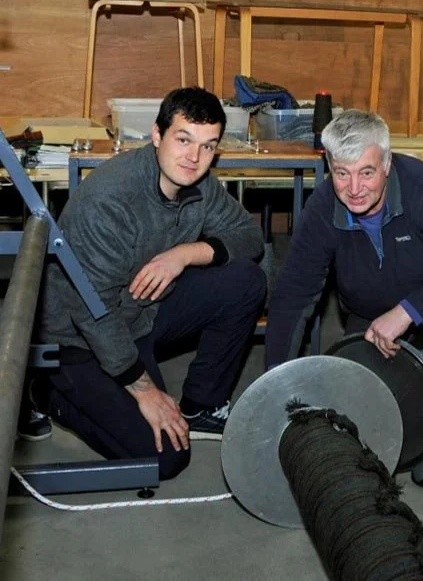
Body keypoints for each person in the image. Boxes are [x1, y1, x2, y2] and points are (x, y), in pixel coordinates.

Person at [35, 87, 266, 479]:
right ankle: (46, 390)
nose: (194, 158)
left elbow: (250, 237)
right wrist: (144, 390)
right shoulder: (111, 199)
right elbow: (93, 314)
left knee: (246, 280)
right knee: (165, 459)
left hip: (141, 311)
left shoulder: (199, 185)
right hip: (78, 338)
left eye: (208, 147)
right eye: (183, 140)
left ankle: (202, 404)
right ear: (156, 136)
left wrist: (183, 255)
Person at [265, 109, 423, 488]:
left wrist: (407, 312)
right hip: (367, 317)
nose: (354, 189)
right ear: (329, 166)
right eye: (342, 173)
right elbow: (293, 297)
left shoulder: (422, 187)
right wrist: (275, 389)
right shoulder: (323, 208)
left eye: (366, 172)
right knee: (364, 425)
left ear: (387, 163)